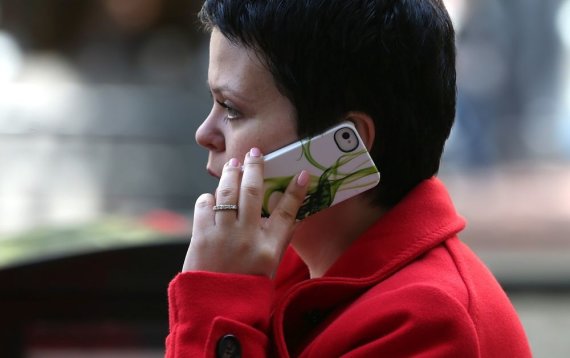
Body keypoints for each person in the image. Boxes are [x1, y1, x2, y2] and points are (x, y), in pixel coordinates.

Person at [166, 0, 532, 357]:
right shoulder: (284, 261)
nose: (204, 133)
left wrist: (220, 303)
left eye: (231, 109)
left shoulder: (425, 321)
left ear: (342, 144)